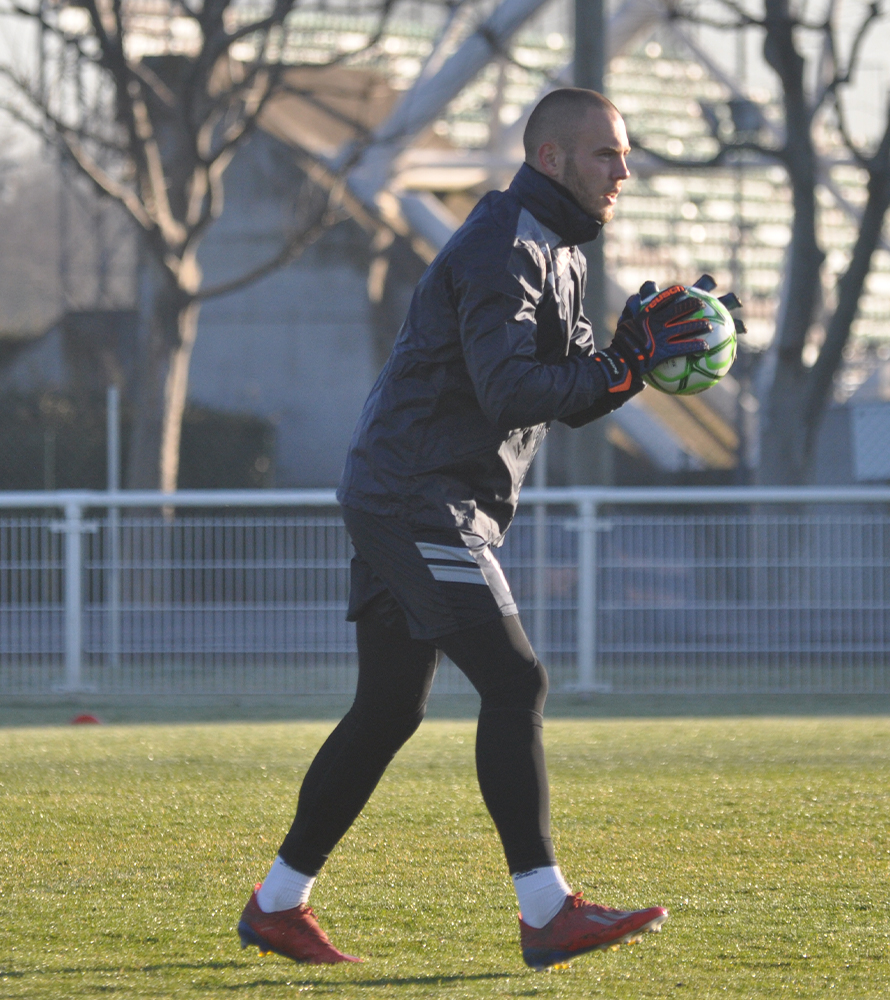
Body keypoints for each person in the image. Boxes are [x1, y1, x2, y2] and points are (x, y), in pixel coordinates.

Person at [236, 87, 720, 971]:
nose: (625, 170)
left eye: (625, 154)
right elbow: (514, 393)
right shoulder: (506, 244)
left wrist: (625, 354)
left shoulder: (555, 248)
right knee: (516, 679)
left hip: (419, 491)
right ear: (550, 158)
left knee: (388, 709)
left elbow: (565, 386)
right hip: (418, 495)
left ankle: (277, 905)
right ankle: (546, 911)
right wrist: (622, 369)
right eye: (607, 154)